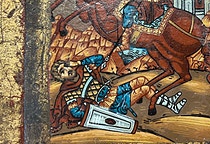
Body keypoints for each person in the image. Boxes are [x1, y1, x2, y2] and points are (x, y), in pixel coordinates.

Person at [50, 55, 186, 132]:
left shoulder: (82, 69)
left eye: (66, 66)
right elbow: (76, 112)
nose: (67, 70)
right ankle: (170, 104)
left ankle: (169, 102)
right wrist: (84, 103)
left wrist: (79, 62)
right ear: (61, 78)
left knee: (142, 80)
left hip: (110, 91)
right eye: (63, 71)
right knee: (144, 89)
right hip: (107, 106)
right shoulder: (67, 93)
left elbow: (99, 58)